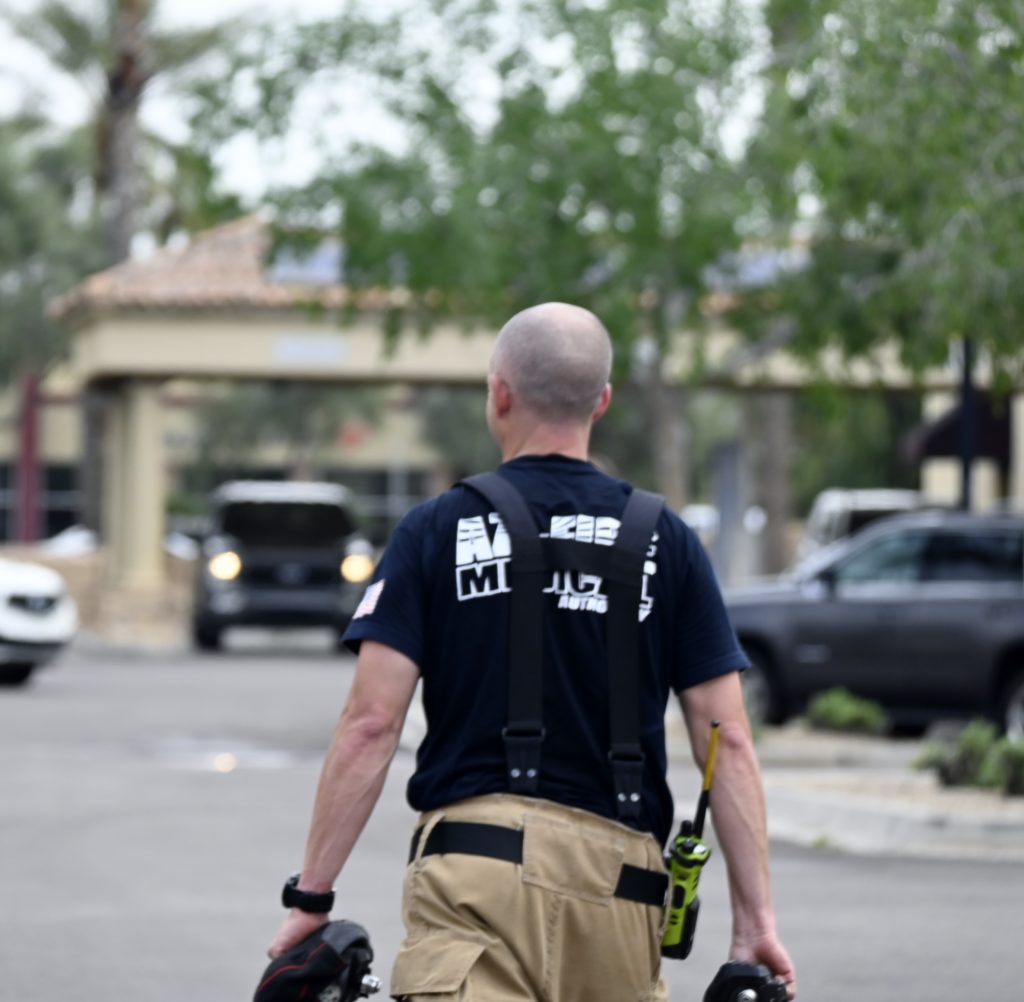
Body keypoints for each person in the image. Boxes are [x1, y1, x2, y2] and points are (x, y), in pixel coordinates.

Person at [268, 302, 797, 1001]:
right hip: (623, 890)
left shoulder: (435, 529)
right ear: (601, 402)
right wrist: (754, 924)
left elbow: (371, 723)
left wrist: (312, 897)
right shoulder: (668, 541)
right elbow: (726, 742)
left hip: (474, 877)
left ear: (499, 394)